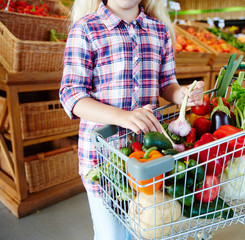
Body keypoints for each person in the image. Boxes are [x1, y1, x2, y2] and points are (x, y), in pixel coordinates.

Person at [59, 0, 204, 239]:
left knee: (146, 230)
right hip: (103, 161)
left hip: (150, 158)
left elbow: (167, 82)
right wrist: (123, 117)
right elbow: (72, 94)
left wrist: (182, 94)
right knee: (112, 235)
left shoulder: (159, 31)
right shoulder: (86, 29)